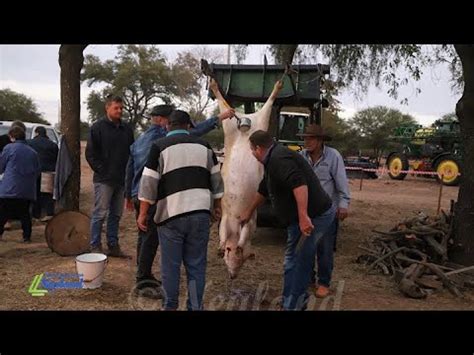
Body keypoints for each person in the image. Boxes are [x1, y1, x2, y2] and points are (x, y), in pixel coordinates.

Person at [125, 104, 234, 298]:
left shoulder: (140, 139)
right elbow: (194, 133)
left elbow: (129, 166)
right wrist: (219, 118)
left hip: (139, 195)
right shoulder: (161, 141)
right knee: (155, 244)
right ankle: (143, 281)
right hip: (155, 198)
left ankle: (144, 275)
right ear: (162, 121)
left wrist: (129, 194)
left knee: (145, 239)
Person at [239, 130, 336, 311]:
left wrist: (303, 217)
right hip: (300, 218)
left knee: (298, 260)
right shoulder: (272, 159)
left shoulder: (278, 160)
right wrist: (248, 211)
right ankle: (295, 298)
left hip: (316, 215)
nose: (252, 154)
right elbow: (264, 188)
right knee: (293, 259)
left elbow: (299, 184)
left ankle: (293, 305)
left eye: (252, 150)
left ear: (258, 148)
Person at [298, 124, 350, 298]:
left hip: (327, 212)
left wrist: (343, 204)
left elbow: (341, 183)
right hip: (306, 211)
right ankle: (308, 279)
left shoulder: (333, 156)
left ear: (320, 141)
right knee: (305, 248)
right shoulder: (300, 157)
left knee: (325, 249)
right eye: (305, 138)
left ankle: (324, 282)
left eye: (311, 138)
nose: (307, 141)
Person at [85, 95, 134, 257]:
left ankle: (113, 246)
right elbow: (90, 154)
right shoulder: (97, 128)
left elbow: (131, 153)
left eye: (121, 108)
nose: (120, 111)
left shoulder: (127, 129)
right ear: (107, 108)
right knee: (100, 213)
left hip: (122, 180)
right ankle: (95, 246)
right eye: (116, 108)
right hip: (104, 180)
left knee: (116, 215)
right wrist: (102, 170)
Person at [0, 126, 40, 242]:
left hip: (9, 188)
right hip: (27, 190)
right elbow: (37, 170)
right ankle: (26, 237)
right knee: (25, 214)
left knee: (2, 213)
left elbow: (1, 166)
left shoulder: (9, 148)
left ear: (12, 137)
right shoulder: (33, 152)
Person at [28, 126, 59, 222]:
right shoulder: (52, 145)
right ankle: (49, 213)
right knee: (47, 194)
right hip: (48, 171)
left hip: (34, 171)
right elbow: (57, 158)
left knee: (35, 192)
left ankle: (35, 214)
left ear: (36, 133)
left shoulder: (30, 143)